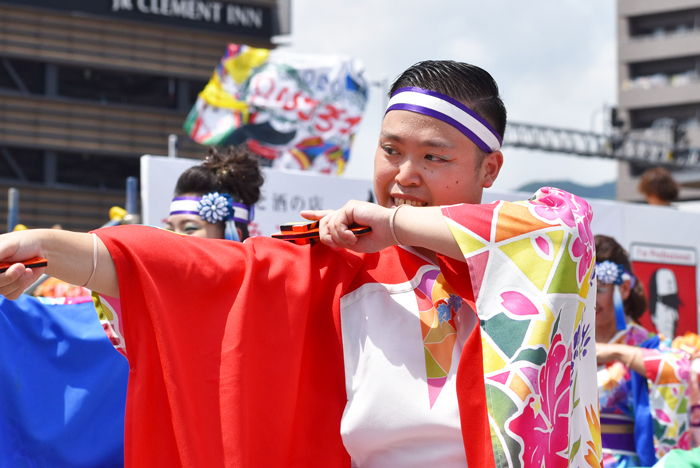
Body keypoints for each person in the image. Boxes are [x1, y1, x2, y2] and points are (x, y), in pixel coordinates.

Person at [0, 61, 600, 468]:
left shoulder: (537, 257)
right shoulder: (336, 261)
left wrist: (389, 225)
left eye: (433, 157)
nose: (405, 174)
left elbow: (556, 231)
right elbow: (197, 274)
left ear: (488, 171)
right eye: (391, 151)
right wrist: (49, 244)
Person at [595, 235, 694, 467]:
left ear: (625, 288)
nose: (589, 299)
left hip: (621, 461)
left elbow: (679, 370)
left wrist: (618, 353)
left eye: (599, 289)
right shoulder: (570, 342)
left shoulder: (646, 343)